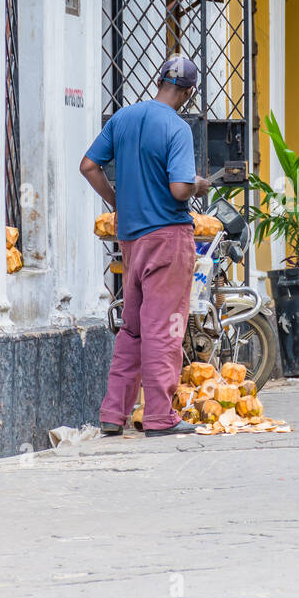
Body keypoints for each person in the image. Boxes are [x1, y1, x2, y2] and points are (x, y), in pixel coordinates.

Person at [79, 55, 209, 437]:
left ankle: (112, 414)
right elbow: (179, 188)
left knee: (132, 329)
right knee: (165, 329)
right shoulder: (177, 128)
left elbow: (89, 165)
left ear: (159, 82)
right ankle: (159, 417)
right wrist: (200, 184)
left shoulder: (122, 119)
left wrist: (117, 201)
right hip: (168, 237)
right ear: (188, 92)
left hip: (131, 238)